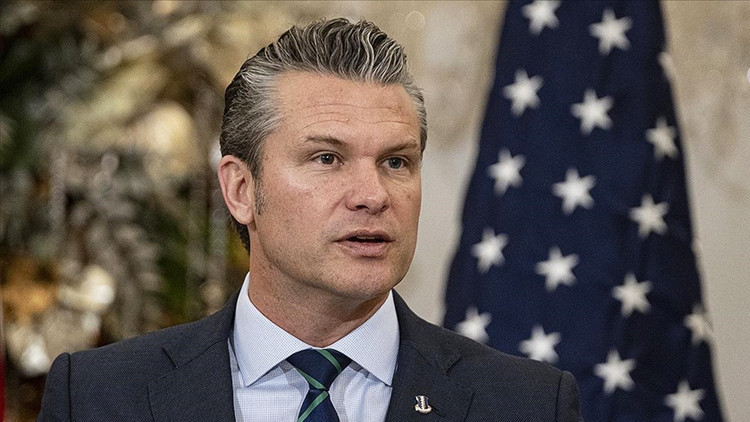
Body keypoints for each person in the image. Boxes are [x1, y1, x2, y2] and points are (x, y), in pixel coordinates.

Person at [38, 18, 582, 421]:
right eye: (327, 158)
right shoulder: (98, 397)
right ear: (241, 190)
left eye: (396, 162)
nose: (372, 195)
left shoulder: (528, 405)